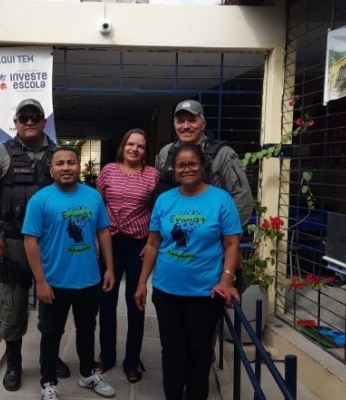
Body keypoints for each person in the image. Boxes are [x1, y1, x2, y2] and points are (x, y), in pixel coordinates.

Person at [0, 98, 70, 392]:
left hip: (51, 244)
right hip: (12, 242)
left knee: (51, 305)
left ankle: (49, 359)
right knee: (13, 305)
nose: (29, 121)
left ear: (43, 121)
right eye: (23, 117)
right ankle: (14, 363)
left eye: (35, 116)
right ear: (15, 121)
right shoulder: (1, 154)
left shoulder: (58, 154)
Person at [134, 143, 241, 400]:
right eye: (181, 165)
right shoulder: (165, 200)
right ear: (175, 170)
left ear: (203, 167)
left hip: (205, 293)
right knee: (172, 349)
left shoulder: (220, 200)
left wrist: (227, 279)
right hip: (167, 290)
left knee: (199, 351)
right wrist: (141, 283)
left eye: (193, 164)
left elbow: (231, 243)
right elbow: (153, 243)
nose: (187, 169)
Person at [22, 148, 117, 400]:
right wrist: (40, 281)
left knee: (87, 329)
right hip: (54, 282)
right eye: (60, 163)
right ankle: (48, 381)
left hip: (88, 279)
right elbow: (30, 241)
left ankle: (87, 374)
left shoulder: (93, 196)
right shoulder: (40, 200)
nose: (66, 168)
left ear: (78, 166)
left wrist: (109, 268)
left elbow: (103, 232)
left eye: (71, 163)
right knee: (51, 333)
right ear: (51, 169)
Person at [95, 128, 159, 383]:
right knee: (107, 301)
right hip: (110, 241)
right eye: (131, 144)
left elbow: (158, 210)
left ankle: (132, 359)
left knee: (137, 301)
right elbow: (98, 207)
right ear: (123, 146)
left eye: (140, 146)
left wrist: (153, 241)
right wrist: (97, 240)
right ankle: (107, 355)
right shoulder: (108, 171)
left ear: (145, 151)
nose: (135, 149)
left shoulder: (153, 176)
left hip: (137, 244)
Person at [157, 99, 253, 228]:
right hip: (174, 235)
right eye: (180, 121)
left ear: (203, 124)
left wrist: (229, 236)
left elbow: (242, 198)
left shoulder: (223, 154)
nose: (185, 126)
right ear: (174, 125)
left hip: (211, 235)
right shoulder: (166, 152)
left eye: (192, 120)